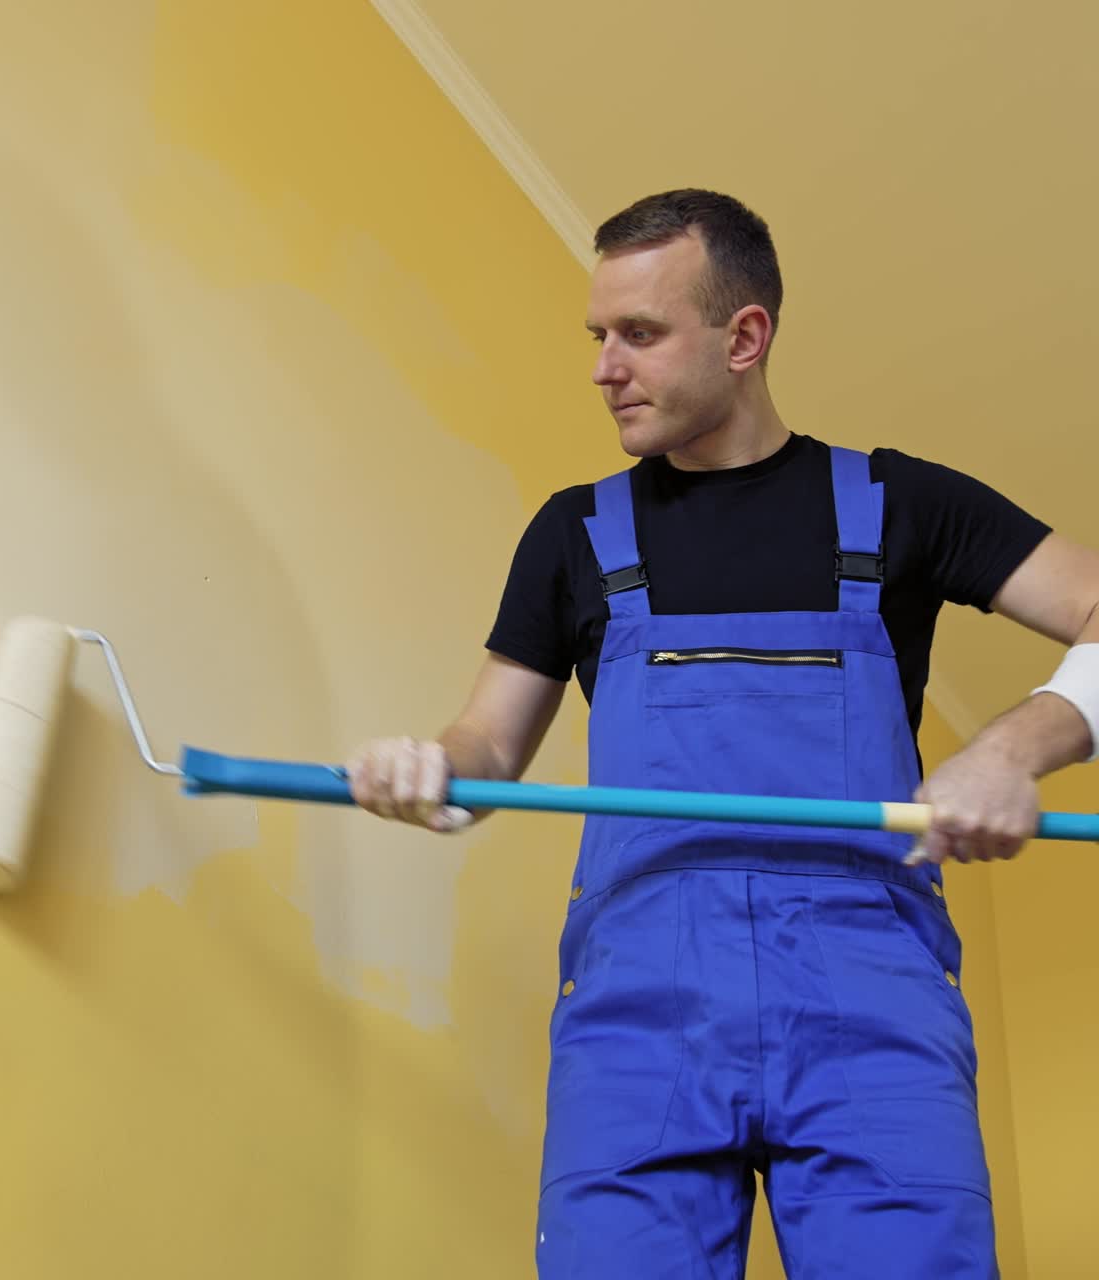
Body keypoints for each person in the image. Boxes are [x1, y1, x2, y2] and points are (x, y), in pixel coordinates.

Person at [346, 189, 1099, 1278]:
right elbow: (485, 748)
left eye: (638, 334)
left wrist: (1014, 743)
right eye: (597, 335)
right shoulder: (573, 533)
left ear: (744, 336)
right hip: (638, 1016)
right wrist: (430, 766)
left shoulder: (901, 505)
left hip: (868, 1002)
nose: (603, 365)